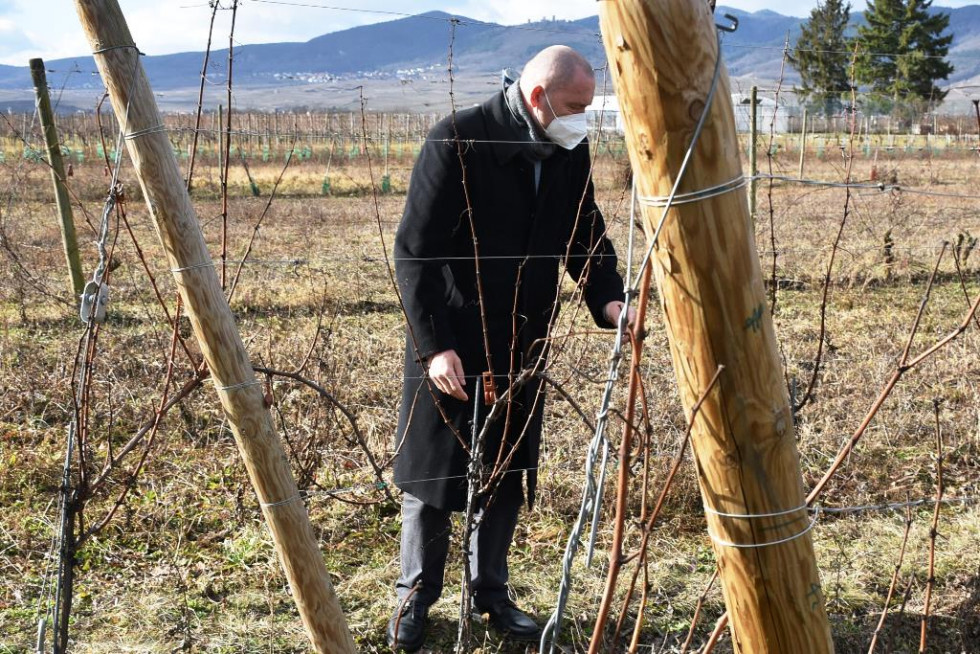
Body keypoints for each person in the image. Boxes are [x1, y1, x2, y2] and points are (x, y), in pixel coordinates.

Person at [388, 44, 634, 651]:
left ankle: (491, 593)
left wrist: (610, 299)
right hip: (452, 341)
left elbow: (585, 233)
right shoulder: (458, 141)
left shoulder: (569, 151)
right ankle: (414, 598)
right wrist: (435, 346)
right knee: (434, 477)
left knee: (507, 470)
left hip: (524, 340)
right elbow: (414, 252)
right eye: (575, 105)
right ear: (536, 97)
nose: (584, 117)